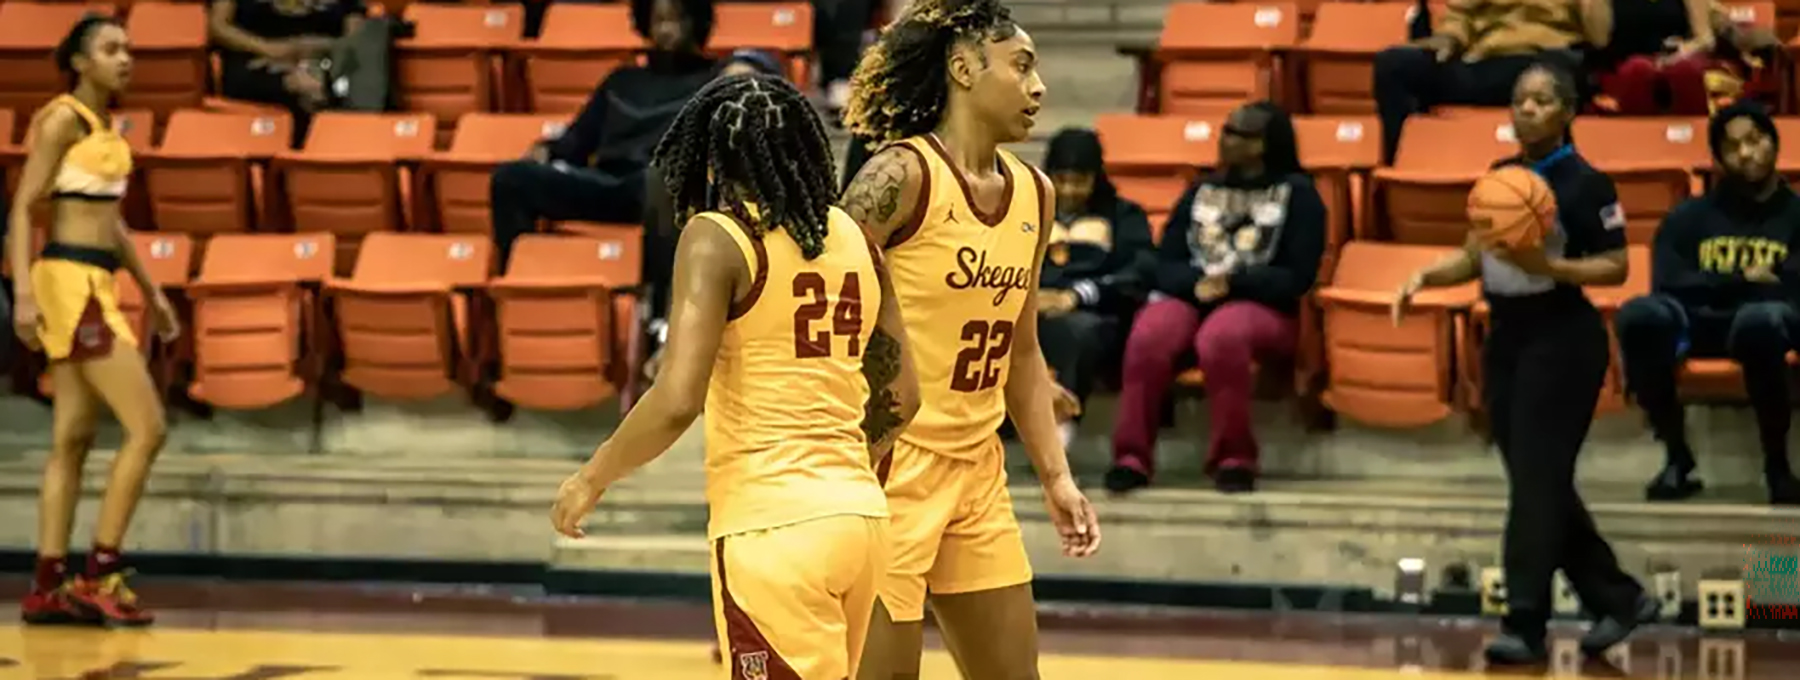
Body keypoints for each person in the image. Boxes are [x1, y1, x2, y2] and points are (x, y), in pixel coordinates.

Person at [549, 73, 919, 680]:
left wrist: (592, 478)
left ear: (713, 158)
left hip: (772, 524)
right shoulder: (857, 240)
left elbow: (677, 399)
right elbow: (903, 395)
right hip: (860, 518)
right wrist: (845, 479)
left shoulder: (717, 237)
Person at [839, 0, 1102, 676]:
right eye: (1021, 67)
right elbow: (818, 306)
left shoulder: (1035, 193)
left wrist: (1057, 477)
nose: (1038, 87)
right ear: (963, 68)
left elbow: (1022, 348)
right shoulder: (899, 177)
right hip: (887, 469)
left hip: (978, 471)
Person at [1392, 62, 1657, 665]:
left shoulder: (1587, 184)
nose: (1527, 110)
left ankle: (1525, 622)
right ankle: (1619, 598)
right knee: (1540, 483)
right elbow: (1474, 255)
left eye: (1541, 100)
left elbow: (1616, 266)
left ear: (1568, 111)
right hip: (1506, 336)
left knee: (1537, 486)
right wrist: (1424, 277)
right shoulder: (1500, 176)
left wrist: (1550, 268)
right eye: (1519, 100)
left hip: (1562, 337)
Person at [10, 15, 178, 628]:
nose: (125, 58)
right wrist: (22, 293)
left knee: (74, 436)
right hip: (70, 283)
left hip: (95, 279)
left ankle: (47, 585)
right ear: (80, 63)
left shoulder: (104, 126)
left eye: (128, 49)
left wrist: (152, 290)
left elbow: (113, 222)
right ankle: (100, 574)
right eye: (110, 50)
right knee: (148, 427)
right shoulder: (61, 120)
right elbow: (22, 209)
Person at [1105, 101, 1325, 495]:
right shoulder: (1201, 190)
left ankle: (1233, 459)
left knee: (1222, 336)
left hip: (1262, 306)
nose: (1226, 140)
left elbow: (1297, 277)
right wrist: (1196, 284)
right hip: (1195, 293)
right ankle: (1131, 457)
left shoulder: (1300, 195)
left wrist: (1234, 283)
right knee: (1150, 334)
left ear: (1265, 144)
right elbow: (1165, 260)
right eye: (1227, 130)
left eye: (1240, 134)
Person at [1614, 102, 1800, 506]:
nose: (1746, 153)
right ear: (1718, 159)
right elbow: (1669, 283)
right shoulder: (1688, 218)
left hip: (1767, 330)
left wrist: (1716, 286)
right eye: (1733, 147)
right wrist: (1743, 280)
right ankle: (1677, 457)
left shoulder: (1796, 216)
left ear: (1774, 143)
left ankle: (1778, 466)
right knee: (1640, 316)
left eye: (1755, 140)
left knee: (1761, 321)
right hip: (1696, 325)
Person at [489, 0, 718, 299]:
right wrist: (546, 151)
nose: (666, 30)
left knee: (664, 182)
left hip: (659, 188)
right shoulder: (621, 82)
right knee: (510, 179)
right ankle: (523, 291)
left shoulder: (714, 83)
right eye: (658, 20)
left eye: (677, 20)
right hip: (606, 183)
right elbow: (575, 144)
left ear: (696, 23)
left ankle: (658, 310)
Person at [1037, 127, 1154, 445]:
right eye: (1061, 180)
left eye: (1079, 181)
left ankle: (1060, 426)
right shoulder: (1027, 211)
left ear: (1096, 177)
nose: (1069, 191)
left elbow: (1138, 274)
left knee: (1081, 331)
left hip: (1097, 315)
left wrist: (1075, 296)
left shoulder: (1124, 216)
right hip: (1031, 311)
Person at [1373, 0, 1600, 163]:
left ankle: (1556, 192)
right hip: (1484, 62)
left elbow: (1599, 36)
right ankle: (1402, 173)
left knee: (1557, 78)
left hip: (1546, 60)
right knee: (1394, 64)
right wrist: (1449, 38)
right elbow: (1460, 16)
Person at [207, 0, 366, 146]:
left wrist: (312, 50)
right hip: (255, 59)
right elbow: (218, 27)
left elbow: (355, 39)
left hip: (324, 58)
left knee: (334, 85)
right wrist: (271, 49)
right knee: (302, 87)